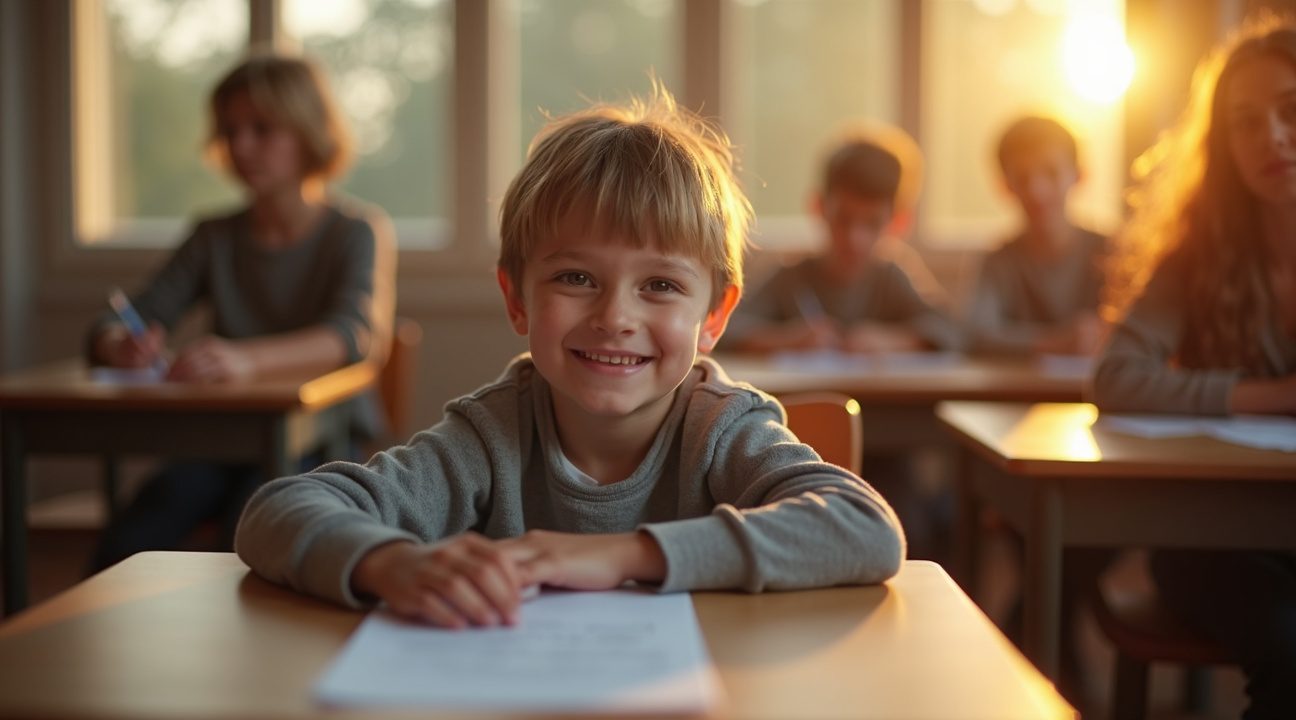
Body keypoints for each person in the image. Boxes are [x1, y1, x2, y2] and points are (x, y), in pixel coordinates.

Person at [234, 86, 905, 628]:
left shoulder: (722, 429)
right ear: (517, 298)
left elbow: (864, 529)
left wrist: (622, 556)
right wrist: (387, 563)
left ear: (715, 317)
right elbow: (277, 511)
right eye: (576, 278)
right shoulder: (489, 436)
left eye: (661, 286)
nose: (615, 317)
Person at [86, 53, 396, 571]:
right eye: (230, 131)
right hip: (221, 439)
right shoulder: (214, 236)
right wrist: (120, 343)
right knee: (134, 534)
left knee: (250, 528)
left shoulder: (356, 231)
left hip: (322, 440)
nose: (240, 146)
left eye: (261, 129)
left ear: (306, 132)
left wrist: (245, 361)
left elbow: (353, 335)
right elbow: (120, 319)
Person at [1092, 16, 1296, 719]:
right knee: (1290, 649)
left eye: (1290, 111)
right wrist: (1270, 397)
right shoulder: (1198, 257)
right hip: (1212, 541)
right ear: (1223, 146)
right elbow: (1114, 378)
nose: (1270, 135)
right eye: (1245, 123)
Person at [719, 124, 961, 355]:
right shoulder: (790, 278)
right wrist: (786, 340)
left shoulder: (892, 277)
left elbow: (951, 330)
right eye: (843, 219)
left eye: (872, 223)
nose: (855, 238)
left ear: (898, 220)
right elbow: (724, 327)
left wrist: (894, 340)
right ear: (819, 207)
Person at [966, 116, 1108, 356]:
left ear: (1079, 175)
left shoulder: (1113, 253)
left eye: (1051, 173)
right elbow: (976, 335)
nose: (1037, 190)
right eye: (1022, 178)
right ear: (1005, 186)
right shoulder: (998, 262)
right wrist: (1057, 343)